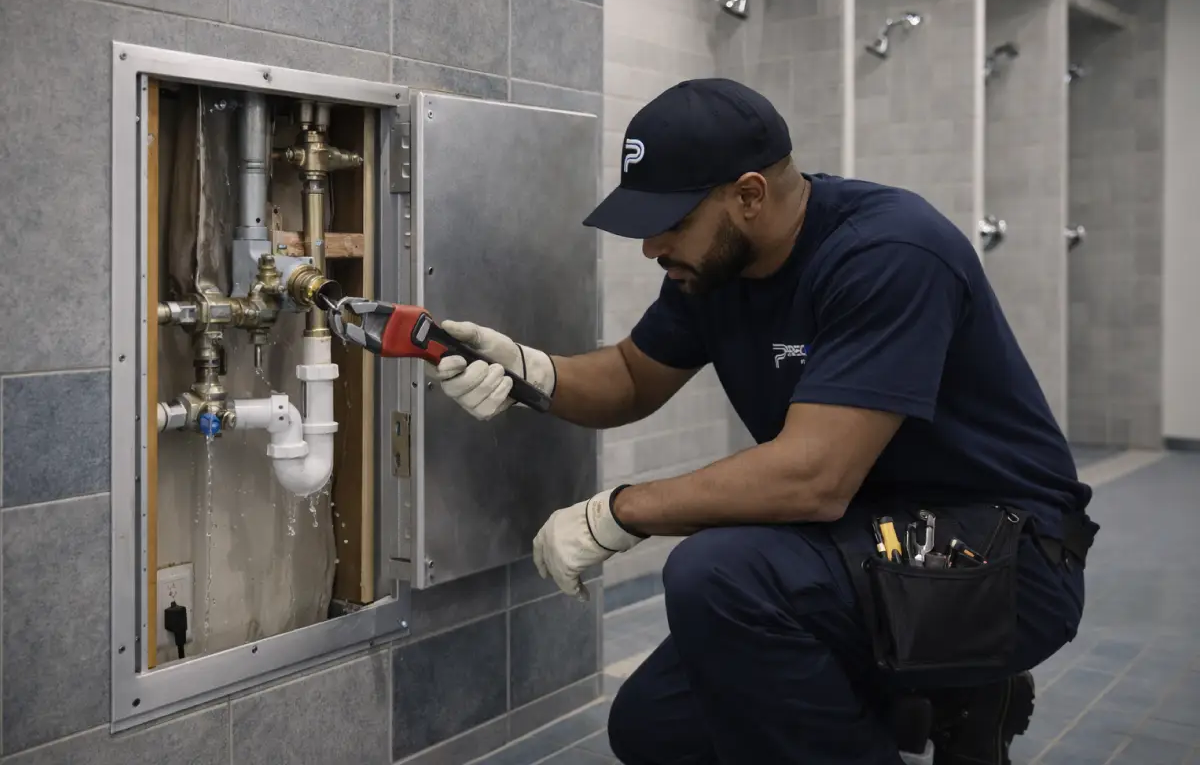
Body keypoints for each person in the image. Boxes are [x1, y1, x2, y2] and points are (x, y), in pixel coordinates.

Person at [425, 78, 1098, 765]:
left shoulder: (889, 253)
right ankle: (945, 699)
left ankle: (949, 682)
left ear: (749, 195)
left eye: (672, 221)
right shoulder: (714, 268)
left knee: (717, 574)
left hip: (1003, 559)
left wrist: (618, 513)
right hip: (868, 544)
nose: (652, 246)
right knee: (656, 727)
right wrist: (531, 372)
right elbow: (631, 375)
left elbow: (814, 478)